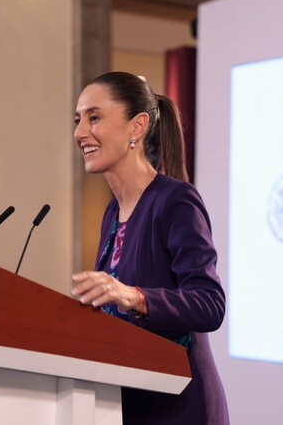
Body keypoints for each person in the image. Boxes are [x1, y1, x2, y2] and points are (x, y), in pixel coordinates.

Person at [71, 71, 229, 424]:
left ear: (137, 126)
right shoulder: (113, 212)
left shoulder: (175, 201)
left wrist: (134, 297)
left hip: (179, 409)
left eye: (94, 118)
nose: (80, 132)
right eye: (78, 119)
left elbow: (210, 304)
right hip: (129, 405)